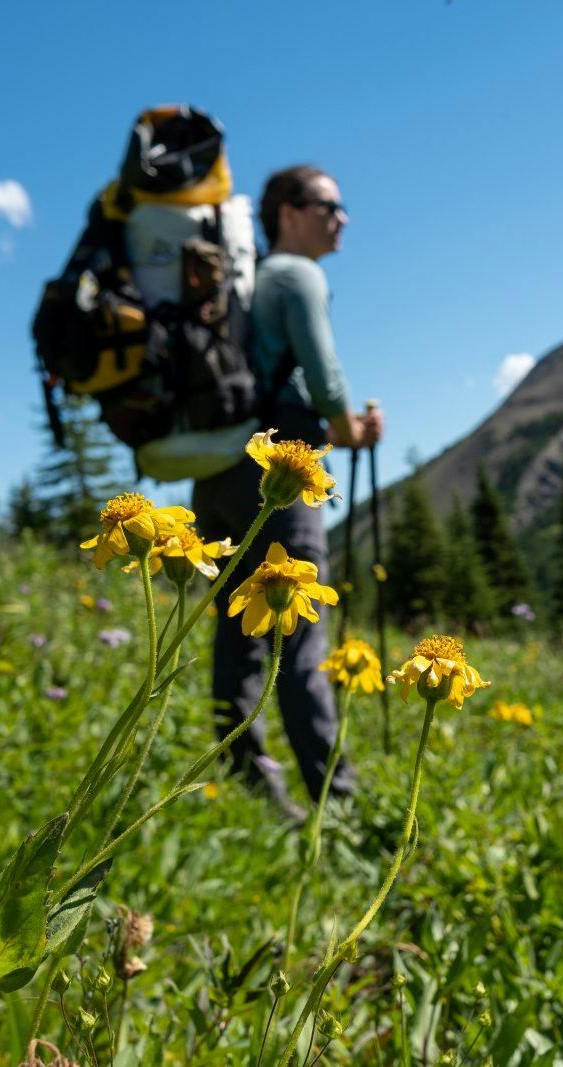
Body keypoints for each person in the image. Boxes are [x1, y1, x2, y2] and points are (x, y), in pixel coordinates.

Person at [192, 165, 383, 821]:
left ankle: (251, 788)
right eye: (331, 205)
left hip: (217, 469)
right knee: (299, 633)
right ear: (288, 212)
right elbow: (325, 378)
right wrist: (348, 427)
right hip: (275, 470)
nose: (343, 218)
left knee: (237, 633)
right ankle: (341, 805)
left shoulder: (246, 286)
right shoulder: (297, 274)